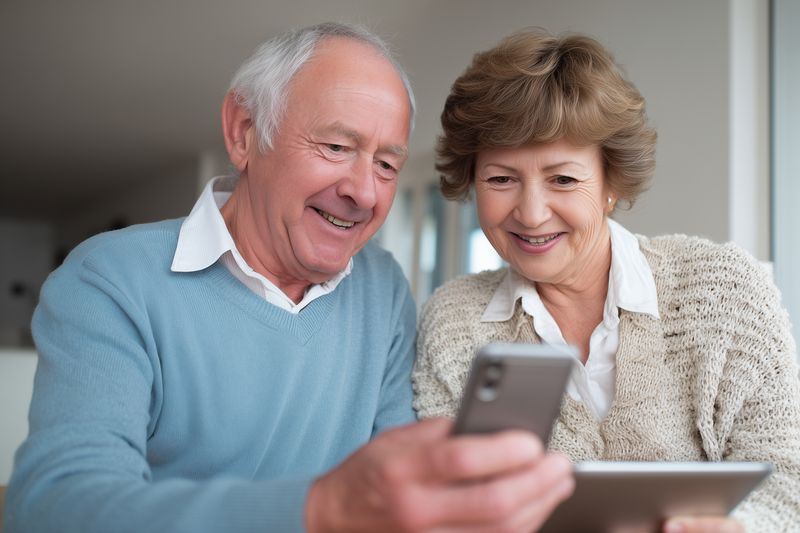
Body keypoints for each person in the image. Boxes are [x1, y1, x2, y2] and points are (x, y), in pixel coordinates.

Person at [4, 23, 575, 533]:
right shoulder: (110, 280)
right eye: (335, 146)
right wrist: (322, 509)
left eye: (386, 165)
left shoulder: (381, 286)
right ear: (245, 133)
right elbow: (54, 509)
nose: (363, 190)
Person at [413, 28, 800, 532]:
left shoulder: (723, 288)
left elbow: (789, 481)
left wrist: (738, 529)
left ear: (611, 182)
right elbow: (443, 509)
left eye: (563, 179)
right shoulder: (452, 321)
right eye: (501, 179)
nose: (530, 214)